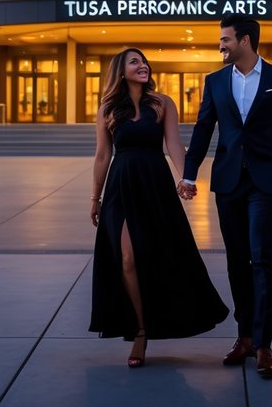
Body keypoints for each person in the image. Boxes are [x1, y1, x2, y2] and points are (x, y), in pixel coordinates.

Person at [178, 13, 272, 379]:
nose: (220, 45)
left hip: (267, 183)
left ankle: (265, 344)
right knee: (237, 260)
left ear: (246, 41)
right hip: (229, 183)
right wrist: (189, 174)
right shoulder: (216, 82)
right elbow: (203, 129)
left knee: (263, 258)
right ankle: (245, 337)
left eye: (225, 39)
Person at [88, 47, 228, 368]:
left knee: (157, 254)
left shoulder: (163, 103)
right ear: (120, 71)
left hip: (155, 185)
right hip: (120, 186)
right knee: (126, 258)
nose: (143, 65)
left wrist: (187, 178)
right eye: (134, 62)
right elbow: (101, 155)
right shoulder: (108, 108)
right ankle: (140, 330)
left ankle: (158, 317)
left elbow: (174, 144)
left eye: (144, 61)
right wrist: (94, 198)